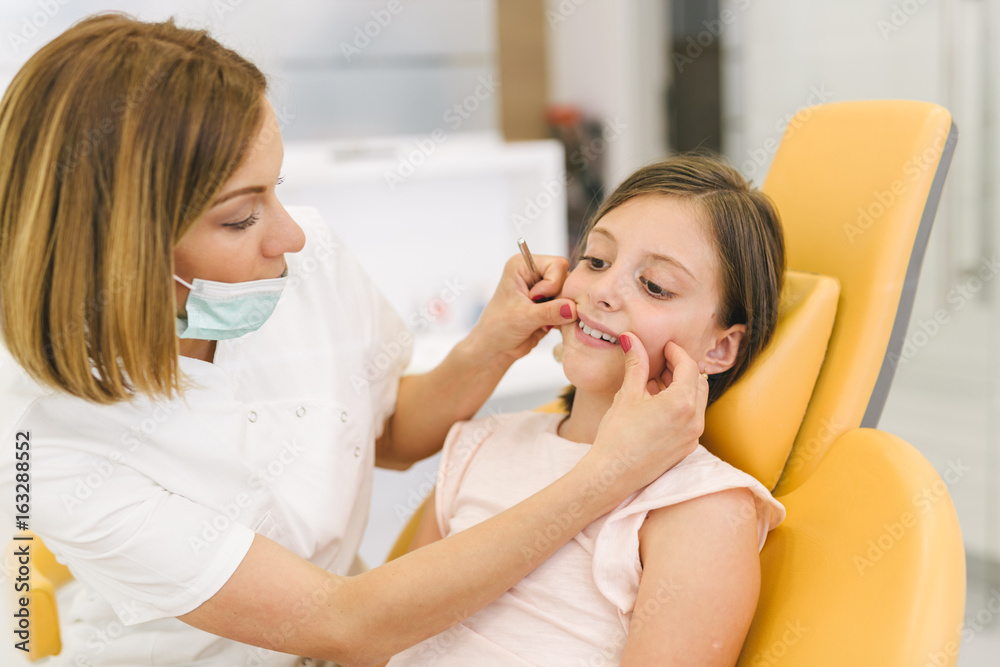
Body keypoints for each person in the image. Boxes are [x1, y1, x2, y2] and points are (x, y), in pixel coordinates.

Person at [0, 14, 711, 667]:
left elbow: (391, 431)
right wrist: (610, 472)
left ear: (723, 345)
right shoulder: (50, 443)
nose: (293, 234)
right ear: (121, 252)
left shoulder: (705, 510)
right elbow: (346, 623)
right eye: (242, 216)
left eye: (276, 188)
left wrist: (493, 340)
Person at [386, 155, 788, 666]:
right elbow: (378, 633)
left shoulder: (702, 509)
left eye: (655, 286)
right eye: (596, 260)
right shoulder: (481, 443)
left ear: (719, 348)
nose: (601, 290)